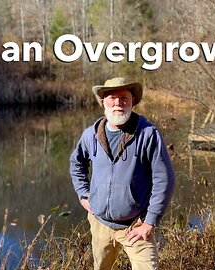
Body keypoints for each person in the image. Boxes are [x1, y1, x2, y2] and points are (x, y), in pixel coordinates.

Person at [69, 77, 175, 270]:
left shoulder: (148, 134)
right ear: (103, 102)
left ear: (132, 101)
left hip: (136, 225)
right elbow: (77, 163)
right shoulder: (90, 135)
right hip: (100, 223)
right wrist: (83, 194)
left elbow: (164, 179)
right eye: (112, 98)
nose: (118, 103)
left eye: (123, 98)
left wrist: (150, 221)